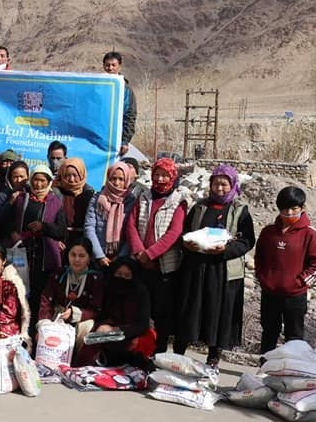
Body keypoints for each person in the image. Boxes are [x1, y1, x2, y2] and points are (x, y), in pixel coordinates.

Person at [174, 164, 255, 369]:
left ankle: (213, 358)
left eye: (224, 184)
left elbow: (247, 241)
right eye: (216, 184)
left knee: (219, 313)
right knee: (190, 309)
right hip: (196, 267)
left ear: (232, 185)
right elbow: (184, 232)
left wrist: (225, 250)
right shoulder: (200, 207)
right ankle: (178, 354)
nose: (219, 188)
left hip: (223, 270)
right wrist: (186, 244)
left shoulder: (240, 211)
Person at [125, 157, 188, 354]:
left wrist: (150, 254)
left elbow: (174, 233)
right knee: (141, 309)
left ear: (172, 177)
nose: (160, 179)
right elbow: (131, 225)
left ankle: (158, 352)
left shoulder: (179, 201)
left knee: (162, 313)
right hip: (141, 264)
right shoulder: (143, 196)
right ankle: (139, 350)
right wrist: (139, 252)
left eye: (165, 175)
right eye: (157, 174)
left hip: (164, 267)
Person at [255, 186, 316, 356]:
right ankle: (265, 367)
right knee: (269, 333)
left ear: (302, 208)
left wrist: (300, 282)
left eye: (294, 208)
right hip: (270, 293)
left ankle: (291, 370)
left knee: (294, 338)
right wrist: (263, 278)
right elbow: (259, 257)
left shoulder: (310, 234)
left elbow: (314, 264)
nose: (289, 213)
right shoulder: (268, 232)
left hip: (295, 296)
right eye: (284, 209)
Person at [11, 165, 66, 328]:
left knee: (39, 295)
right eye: (35, 179)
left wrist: (44, 227)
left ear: (49, 182)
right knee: (19, 291)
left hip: (45, 257)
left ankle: (36, 329)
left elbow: (62, 231)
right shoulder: (22, 199)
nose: (38, 184)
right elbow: (8, 222)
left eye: (42, 180)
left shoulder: (56, 203)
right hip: (22, 253)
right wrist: (13, 233)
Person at [37, 238, 104, 366]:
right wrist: (43, 323)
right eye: (73, 255)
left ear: (89, 258)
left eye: (82, 256)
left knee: (87, 327)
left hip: (82, 320)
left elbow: (96, 309)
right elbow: (46, 300)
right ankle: (51, 362)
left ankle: (79, 363)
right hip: (59, 316)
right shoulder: (58, 274)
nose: (76, 260)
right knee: (46, 328)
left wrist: (75, 313)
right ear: (67, 255)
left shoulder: (95, 278)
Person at [93, 257, 156, 369]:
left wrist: (119, 330)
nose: (122, 278)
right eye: (119, 274)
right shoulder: (108, 288)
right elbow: (101, 314)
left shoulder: (141, 292)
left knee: (142, 343)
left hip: (133, 332)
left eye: (127, 275)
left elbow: (143, 324)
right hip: (110, 333)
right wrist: (105, 327)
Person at [85, 161, 137, 268]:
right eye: (113, 178)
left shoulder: (131, 201)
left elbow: (131, 230)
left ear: (127, 180)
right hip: (97, 257)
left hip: (121, 259)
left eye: (121, 179)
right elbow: (89, 227)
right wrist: (99, 255)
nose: (116, 183)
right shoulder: (97, 198)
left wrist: (120, 256)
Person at [102, 51, 137, 156]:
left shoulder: (126, 90)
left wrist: (125, 141)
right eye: (107, 65)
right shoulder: (98, 87)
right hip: (99, 136)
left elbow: (130, 116)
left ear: (119, 67)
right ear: (103, 66)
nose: (110, 68)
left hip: (116, 139)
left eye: (113, 65)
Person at [55, 157, 95, 245]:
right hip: (61, 241)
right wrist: (55, 241)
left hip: (82, 242)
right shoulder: (55, 193)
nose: (71, 179)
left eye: (75, 175)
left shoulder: (89, 195)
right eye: (67, 175)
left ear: (81, 174)